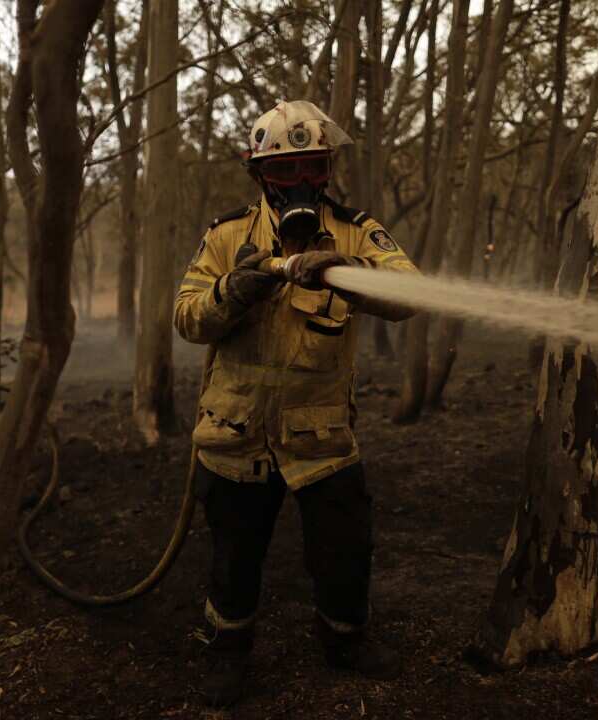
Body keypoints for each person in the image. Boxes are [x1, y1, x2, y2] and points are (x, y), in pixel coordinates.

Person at [174, 100, 420, 707]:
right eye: (284, 173)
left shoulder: (359, 231)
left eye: (311, 167)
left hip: (323, 439)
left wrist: (348, 268)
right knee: (234, 555)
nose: (300, 184)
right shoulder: (227, 235)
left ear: (329, 167)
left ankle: (345, 641)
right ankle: (229, 651)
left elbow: (409, 291)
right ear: (257, 174)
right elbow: (186, 316)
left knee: (344, 549)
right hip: (236, 433)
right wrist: (231, 291)